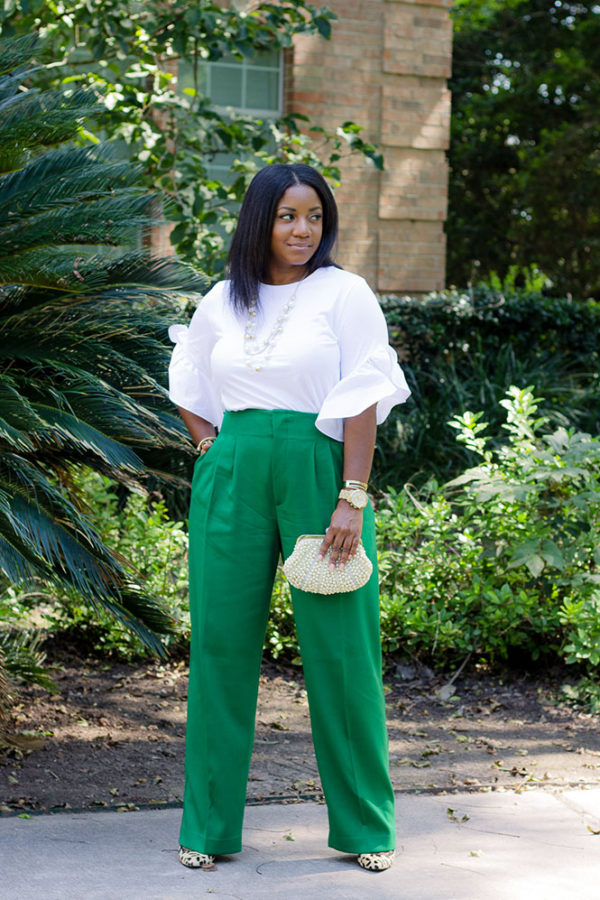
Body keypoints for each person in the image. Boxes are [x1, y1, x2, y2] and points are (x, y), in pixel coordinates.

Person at [168, 163, 410, 873]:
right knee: (219, 647)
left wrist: (352, 494)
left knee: (340, 650)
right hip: (234, 468)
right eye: (286, 217)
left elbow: (363, 390)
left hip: (318, 468)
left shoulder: (345, 294)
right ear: (259, 223)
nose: (303, 229)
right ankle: (207, 827)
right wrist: (210, 448)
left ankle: (368, 828)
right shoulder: (224, 299)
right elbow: (187, 375)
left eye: (313, 216)